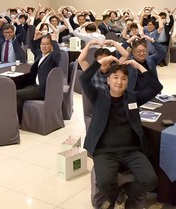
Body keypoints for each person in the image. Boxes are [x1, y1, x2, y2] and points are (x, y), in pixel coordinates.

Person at [80, 56, 163, 209]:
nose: (119, 82)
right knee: (104, 182)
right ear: (108, 80)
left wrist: (138, 65)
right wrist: (100, 63)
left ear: (127, 81)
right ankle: (114, 196)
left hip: (131, 150)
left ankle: (126, 191)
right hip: (105, 151)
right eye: (115, 77)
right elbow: (84, 79)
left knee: (151, 181)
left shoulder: (132, 97)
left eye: (123, 78)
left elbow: (156, 87)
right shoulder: (98, 96)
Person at [15, 31, 61, 123]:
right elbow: (34, 49)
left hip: (43, 89)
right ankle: (21, 117)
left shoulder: (52, 57)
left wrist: (55, 41)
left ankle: (19, 121)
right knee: (19, 88)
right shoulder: (41, 55)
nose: (44, 46)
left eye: (47, 44)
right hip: (35, 86)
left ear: (51, 46)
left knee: (17, 94)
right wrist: (35, 39)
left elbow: (57, 54)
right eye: (42, 44)